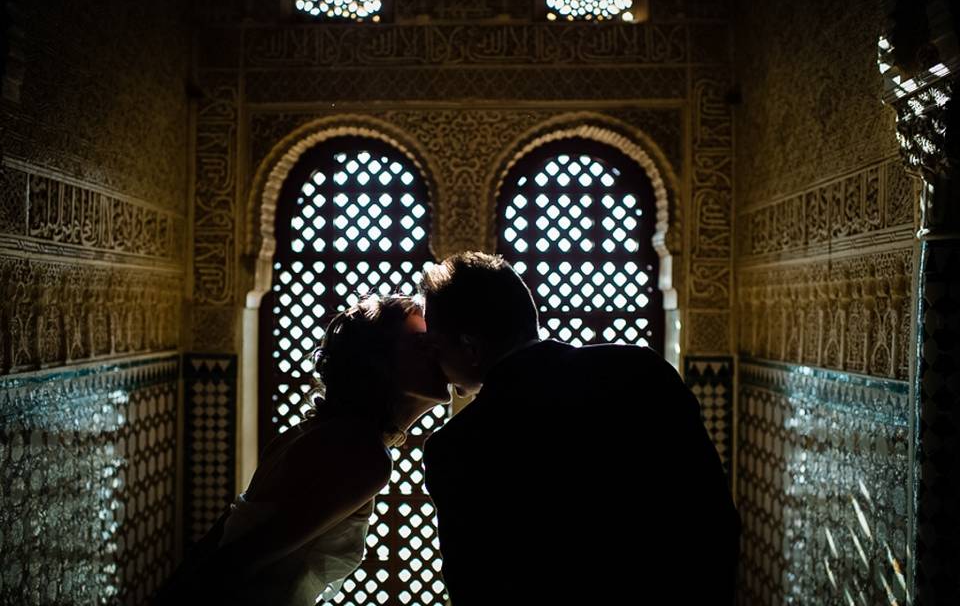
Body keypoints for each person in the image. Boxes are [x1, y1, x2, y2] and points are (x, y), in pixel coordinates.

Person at [420, 251, 740, 605]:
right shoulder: (641, 372)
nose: (434, 361)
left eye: (435, 347)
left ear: (469, 347)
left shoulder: (459, 448)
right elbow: (714, 524)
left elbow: (476, 588)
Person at [154, 294, 451, 605]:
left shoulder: (318, 433)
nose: (437, 351)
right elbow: (237, 561)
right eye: (421, 343)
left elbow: (224, 537)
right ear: (380, 361)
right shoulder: (364, 456)